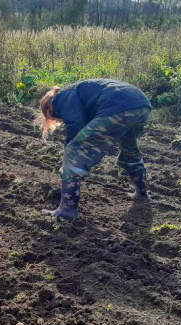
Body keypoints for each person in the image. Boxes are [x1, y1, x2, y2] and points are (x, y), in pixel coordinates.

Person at [38, 78, 152, 220]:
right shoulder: (76, 90)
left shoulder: (61, 98)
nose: (59, 121)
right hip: (141, 105)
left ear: (50, 108)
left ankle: (67, 210)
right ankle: (141, 193)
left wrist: (69, 148)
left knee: (74, 151)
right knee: (130, 148)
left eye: (55, 118)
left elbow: (77, 123)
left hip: (117, 106)